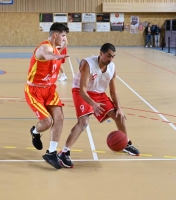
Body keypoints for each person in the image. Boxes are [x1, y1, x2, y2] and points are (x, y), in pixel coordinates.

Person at [57, 43, 140, 168]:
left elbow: (113, 91)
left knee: (119, 116)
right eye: (108, 56)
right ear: (101, 53)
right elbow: (82, 91)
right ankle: (64, 152)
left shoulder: (112, 67)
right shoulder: (87, 64)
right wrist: (93, 105)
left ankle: (125, 143)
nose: (110, 59)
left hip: (99, 93)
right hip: (81, 92)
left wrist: (120, 108)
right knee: (83, 122)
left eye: (113, 56)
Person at [25, 22, 69, 169]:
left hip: (50, 89)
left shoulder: (58, 48)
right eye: (63, 36)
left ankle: (51, 152)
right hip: (34, 91)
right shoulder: (44, 48)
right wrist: (57, 54)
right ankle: (35, 131)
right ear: (55, 35)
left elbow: (57, 55)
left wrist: (61, 49)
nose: (64, 39)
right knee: (47, 122)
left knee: (60, 118)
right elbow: (47, 54)